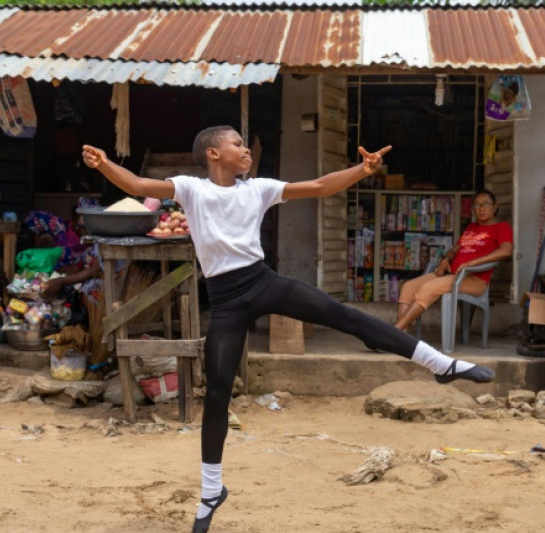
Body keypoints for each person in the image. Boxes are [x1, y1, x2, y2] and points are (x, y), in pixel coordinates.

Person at [82, 126, 494, 533]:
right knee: (217, 396)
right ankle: (211, 491)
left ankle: (440, 363)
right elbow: (136, 182)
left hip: (264, 283)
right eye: (238, 144)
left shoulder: (257, 188)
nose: (246, 150)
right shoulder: (191, 189)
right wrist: (105, 165)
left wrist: (361, 171)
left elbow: (317, 185)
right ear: (212, 153)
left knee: (347, 317)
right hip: (225, 301)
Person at [392, 190, 513, 332]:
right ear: (473, 209)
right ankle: (402, 337)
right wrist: (446, 259)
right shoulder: (471, 227)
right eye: (477, 205)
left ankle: (396, 332)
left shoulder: (501, 227)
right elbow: (455, 249)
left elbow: (506, 251)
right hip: (451, 275)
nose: (481, 208)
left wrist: (474, 263)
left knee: (428, 288)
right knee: (408, 287)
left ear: (495, 206)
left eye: (485, 204)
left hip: (474, 279)